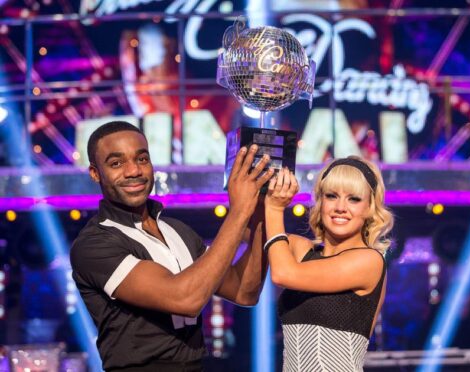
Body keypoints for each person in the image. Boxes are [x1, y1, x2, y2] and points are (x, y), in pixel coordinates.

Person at [70, 121, 273, 371]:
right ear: (95, 173)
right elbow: (186, 299)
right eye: (116, 163)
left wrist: (264, 210)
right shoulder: (95, 243)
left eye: (142, 159)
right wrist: (239, 211)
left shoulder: (178, 230)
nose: (134, 170)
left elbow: (244, 291)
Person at [264, 156, 394, 371]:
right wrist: (261, 189)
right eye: (332, 196)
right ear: (320, 201)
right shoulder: (301, 249)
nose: (341, 207)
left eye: (354, 199)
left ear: (370, 207)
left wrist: (275, 209)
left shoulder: (369, 260)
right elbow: (254, 233)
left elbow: (283, 274)